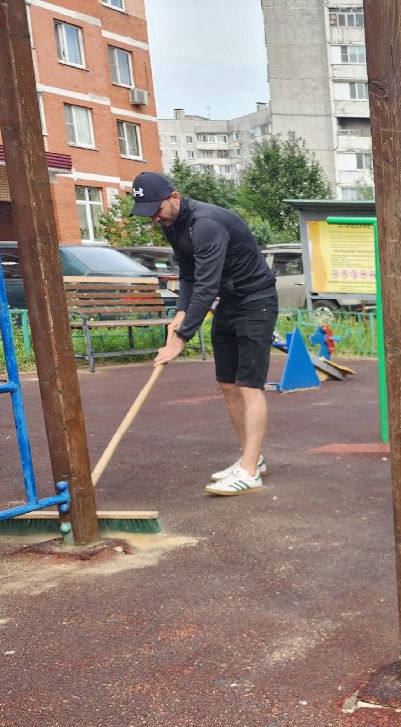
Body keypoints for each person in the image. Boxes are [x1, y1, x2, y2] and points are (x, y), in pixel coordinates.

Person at [133, 170, 278, 496]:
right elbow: (188, 276)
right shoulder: (173, 225)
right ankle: (251, 458)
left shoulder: (206, 224)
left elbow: (207, 285)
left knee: (248, 386)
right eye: (149, 214)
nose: (155, 218)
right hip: (229, 301)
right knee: (227, 384)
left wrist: (181, 337)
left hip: (256, 301)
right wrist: (180, 314)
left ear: (174, 196)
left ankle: (249, 471)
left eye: (156, 210)